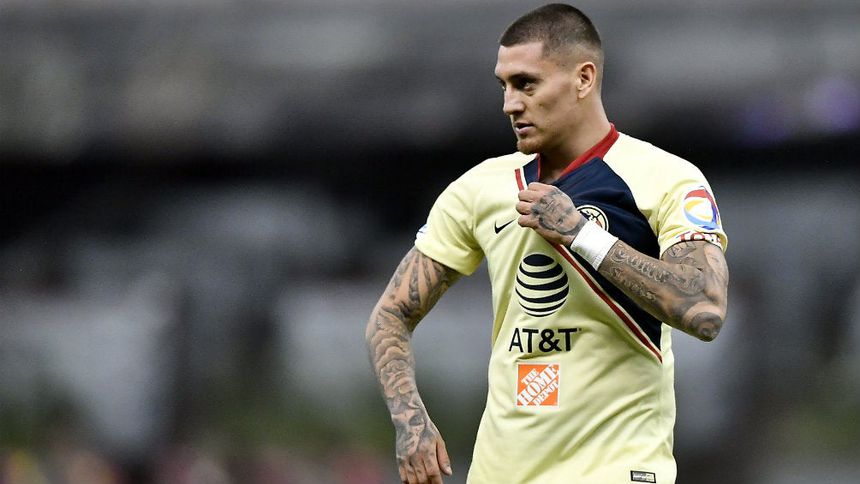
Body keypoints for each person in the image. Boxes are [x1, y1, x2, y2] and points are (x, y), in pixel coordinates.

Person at [365, 3, 729, 484]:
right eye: (504, 86)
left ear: (583, 79)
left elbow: (705, 309)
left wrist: (582, 235)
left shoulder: (666, 178)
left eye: (526, 84)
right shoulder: (479, 188)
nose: (510, 104)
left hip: (616, 470)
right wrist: (411, 422)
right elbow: (390, 315)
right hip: (501, 472)